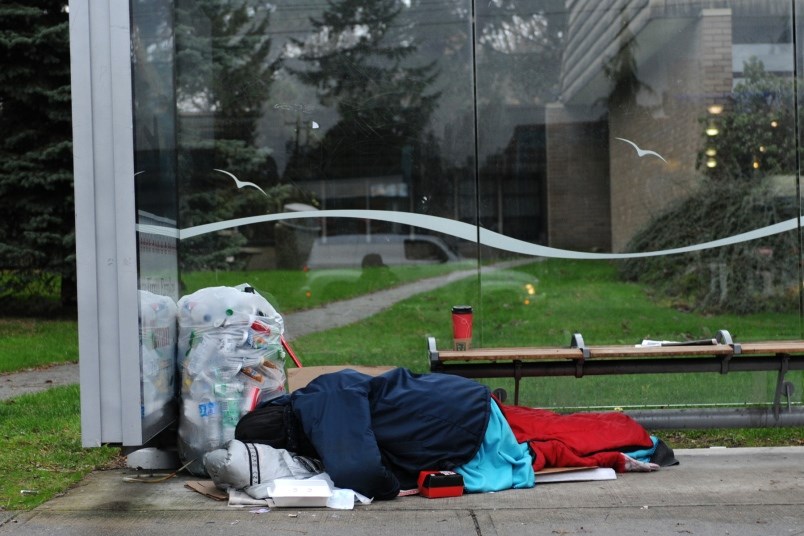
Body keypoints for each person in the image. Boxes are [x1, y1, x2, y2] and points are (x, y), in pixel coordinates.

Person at [235, 367, 674, 500]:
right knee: (547, 427)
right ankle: (631, 436)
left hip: (462, 422)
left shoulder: (321, 415)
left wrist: (393, 487)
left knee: (550, 446)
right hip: (452, 402)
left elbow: (360, 469)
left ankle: (635, 442)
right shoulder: (314, 394)